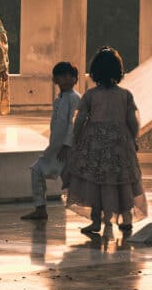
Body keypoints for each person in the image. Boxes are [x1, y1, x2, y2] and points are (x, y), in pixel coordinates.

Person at [62, 47, 146, 237]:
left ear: (95, 71)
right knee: (122, 179)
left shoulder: (91, 95)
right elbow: (133, 120)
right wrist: (133, 139)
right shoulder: (125, 95)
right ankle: (126, 218)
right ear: (118, 70)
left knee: (96, 181)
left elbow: (80, 120)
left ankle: (97, 220)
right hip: (120, 143)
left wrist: (76, 140)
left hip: (95, 144)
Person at [21, 62, 82, 221]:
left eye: (70, 76)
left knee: (78, 184)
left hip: (67, 150)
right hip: (56, 148)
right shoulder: (59, 100)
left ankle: (99, 214)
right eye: (62, 76)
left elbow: (73, 124)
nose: (66, 79)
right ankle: (40, 208)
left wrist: (67, 145)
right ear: (55, 80)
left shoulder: (75, 98)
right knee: (37, 171)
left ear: (75, 79)